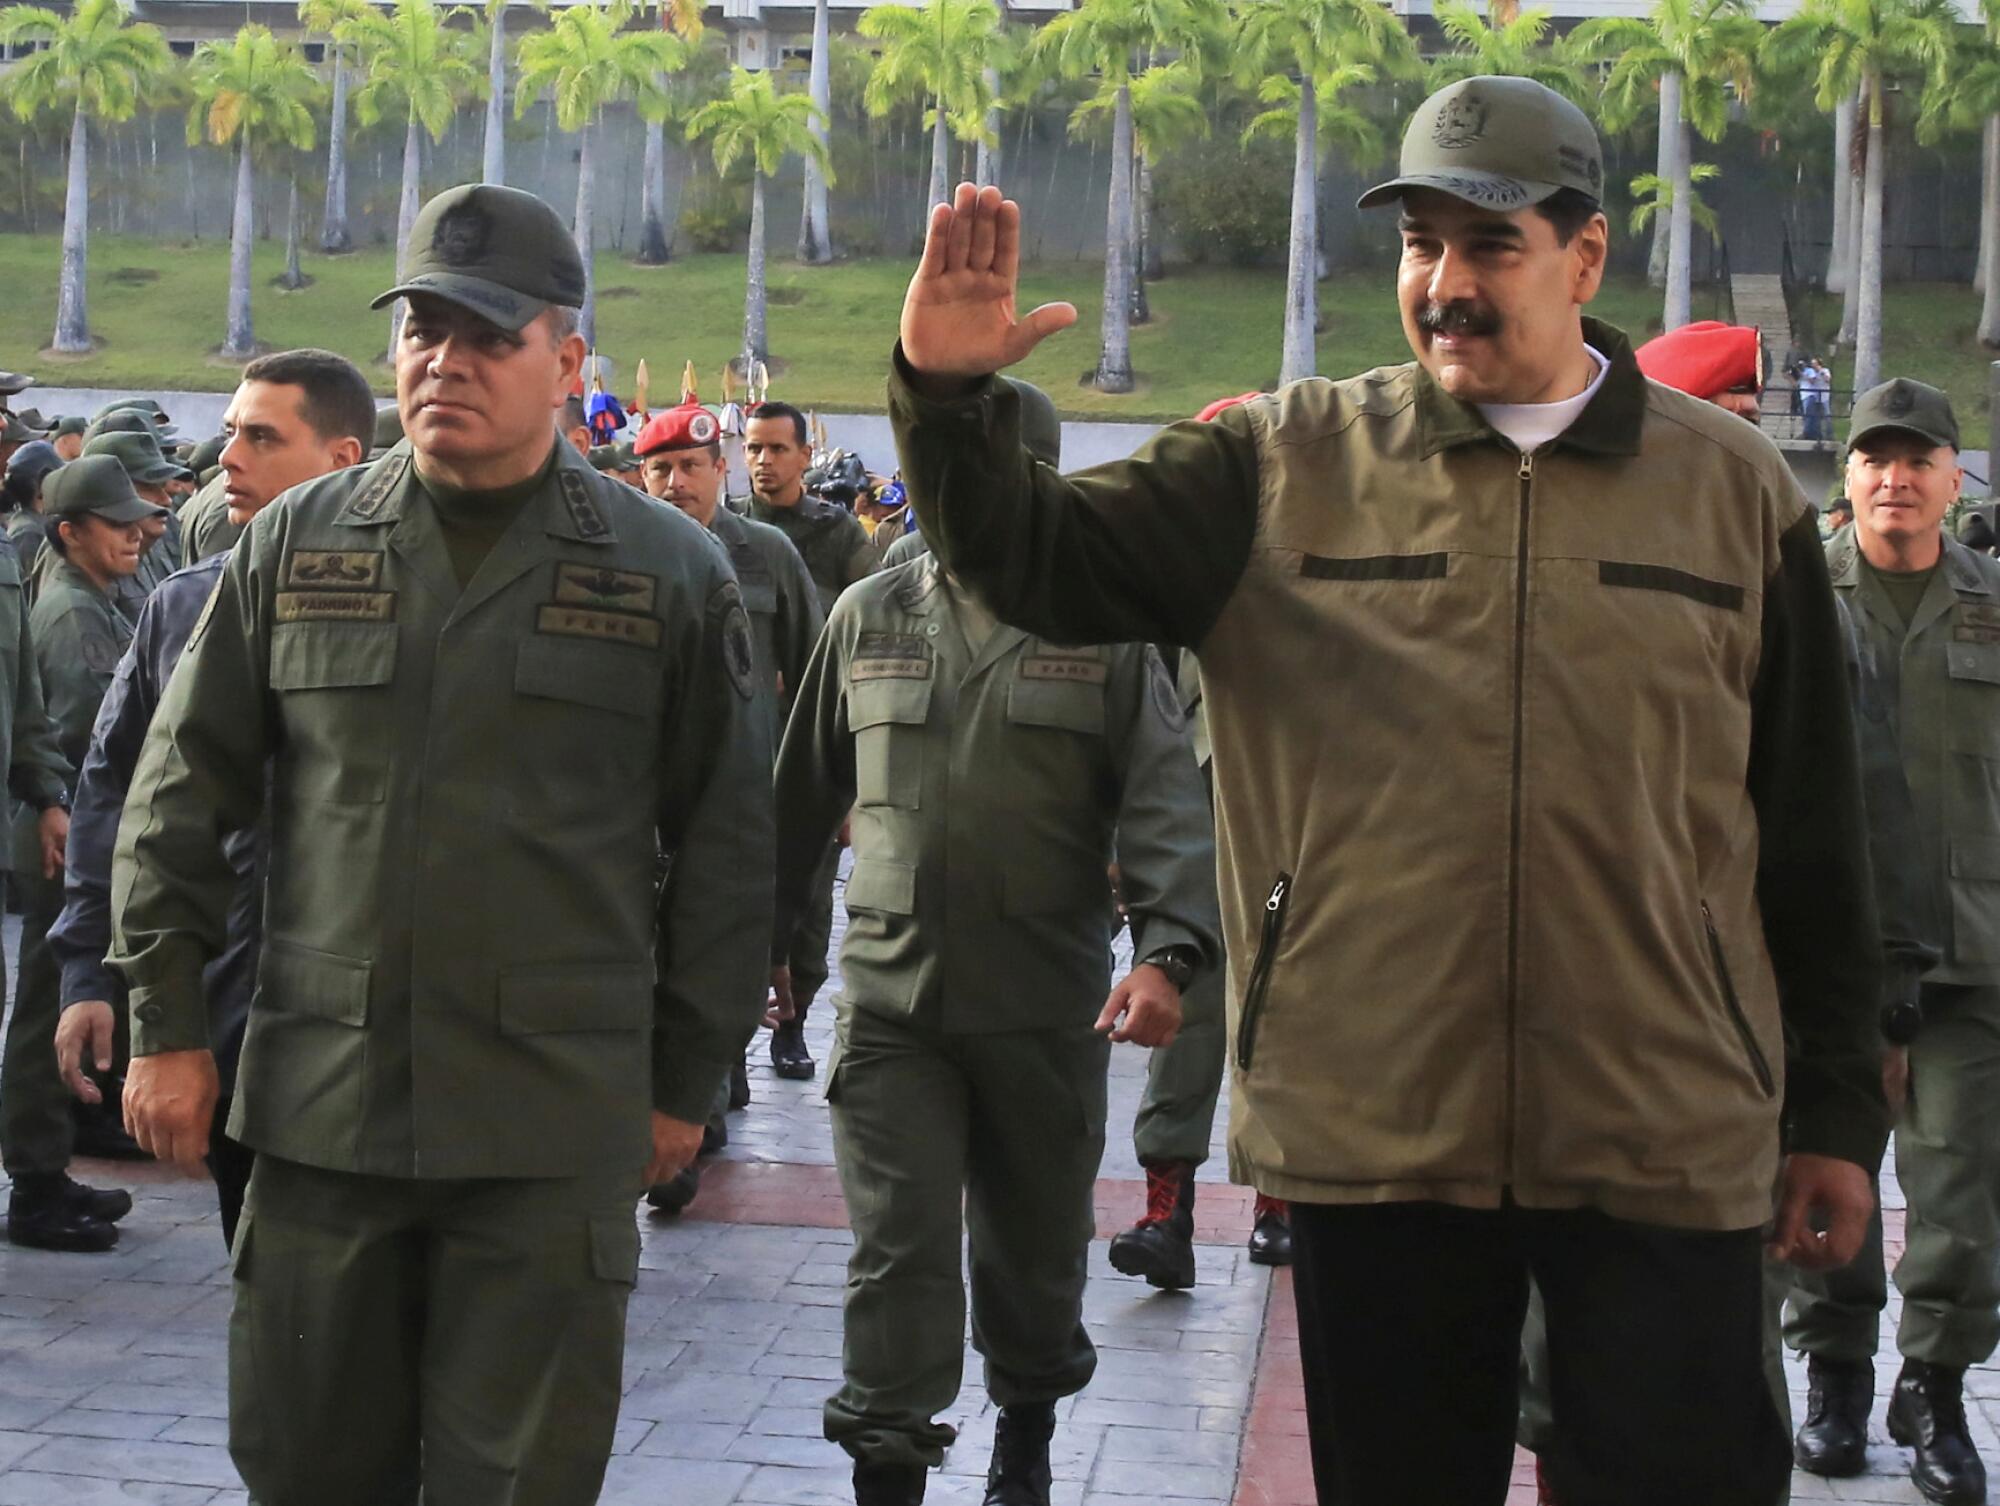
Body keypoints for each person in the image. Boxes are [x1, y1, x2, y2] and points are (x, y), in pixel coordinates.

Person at [887, 74, 1884, 1506]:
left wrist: (1837, 1109)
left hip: (1666, 1124)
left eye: (1489, 246)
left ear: (1585, 258)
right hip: (1379, 1120)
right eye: (1420, 244)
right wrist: (948, 397)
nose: (1443, 285)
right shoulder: (1279, 464)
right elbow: (1034, 560)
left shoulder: (1732, 493)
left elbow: (1809, 834)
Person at [108, 183, 774, 1505]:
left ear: (566, 361)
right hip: (319, 1119)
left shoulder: (662, 570)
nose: (440, 361)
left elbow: (731, 848)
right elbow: (180, 793)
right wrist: (166, 1022)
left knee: (519, 1482)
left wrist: (682, 1080)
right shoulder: (300, 543)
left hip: (549, 1128)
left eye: (484, 335)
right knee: (305, 1470)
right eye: (419, 329)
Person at [773, 527, 1220, 1506]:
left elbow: (1163, 799)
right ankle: (886, 1461)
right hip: (892, 1008)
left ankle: (1024, 1436)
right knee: (898, 1247)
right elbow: (796, 802)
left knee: (1032, 1249)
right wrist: (763, 948)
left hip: (1041, 1005)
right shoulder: (868, 616)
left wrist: (1165, 954)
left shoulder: (1101, 634)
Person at [50, 349, 375, 1252]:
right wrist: (90, 972)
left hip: (375, 1033)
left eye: (261, 437)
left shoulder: (419, 615)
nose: (226, 457)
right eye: (230, 431)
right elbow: (114, 795)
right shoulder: (184, 609)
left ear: (341, 460)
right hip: (233, 1008)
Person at [1785, 378, 1999, 1506]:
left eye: (1915, 458)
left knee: (1961, 1187)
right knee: (1826, 1164)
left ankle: (1933, 1385)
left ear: (1951, 476)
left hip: (1971, 949)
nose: (1893, 477)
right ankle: (1829, 1375)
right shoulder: (1797, 602)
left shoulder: (1994, 601)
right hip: (1830, 944)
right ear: (1847, 476)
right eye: (1872, 457)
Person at [1106, 393, 1291, 1291]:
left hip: (1298, 861)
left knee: (1292, 1028)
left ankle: (1280, 1202)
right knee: (1186, 1027)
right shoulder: (1162, 593)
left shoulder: (1324, 587)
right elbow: (1129, 733)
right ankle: (1165, 1209)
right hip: (1196, 856)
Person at [632, 395, 822, 1210]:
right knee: (656, 952)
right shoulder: (628, 551)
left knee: (726, 934)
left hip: (752, 786)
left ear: (720, 471)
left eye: (689, 467)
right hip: (645, 794)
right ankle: (691, 1115)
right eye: (659, 468)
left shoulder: (767, 554)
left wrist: (831, 790)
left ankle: (707, 1089)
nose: (675, 482)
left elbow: (815, 673)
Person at [0, 455, 163, 1252]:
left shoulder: (97, 600)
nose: (137, 532)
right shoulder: (71, 615)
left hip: (72, 826)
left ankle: (55, 1158)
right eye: (116, 521)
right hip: (60, 838)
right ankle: (33, 1183)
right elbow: (83, 739)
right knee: (42, 1011)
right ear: (70, 532)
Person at [746, 398, 881, 1079]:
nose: (764, 462)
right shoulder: (731, 531)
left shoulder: (838, 538)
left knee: (807, 897)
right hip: (744, 747)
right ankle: (731, 1043)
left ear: (805, 455)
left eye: (777, 449)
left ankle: (792, 1024)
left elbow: (870, 634)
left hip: (816, 745)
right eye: (754, 449)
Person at [1802, 356, 1834, 444]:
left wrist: (1821, 373)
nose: (1813, 365)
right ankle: (1818, 434)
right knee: (1816, 417)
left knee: (1827, 415)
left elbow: (1828, 380)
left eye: (1814, 364)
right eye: (1812, 364)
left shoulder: (1825, 371)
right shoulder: (1811, 372)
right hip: (1815, 397)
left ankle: (1830, 434)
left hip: (1824, 397)